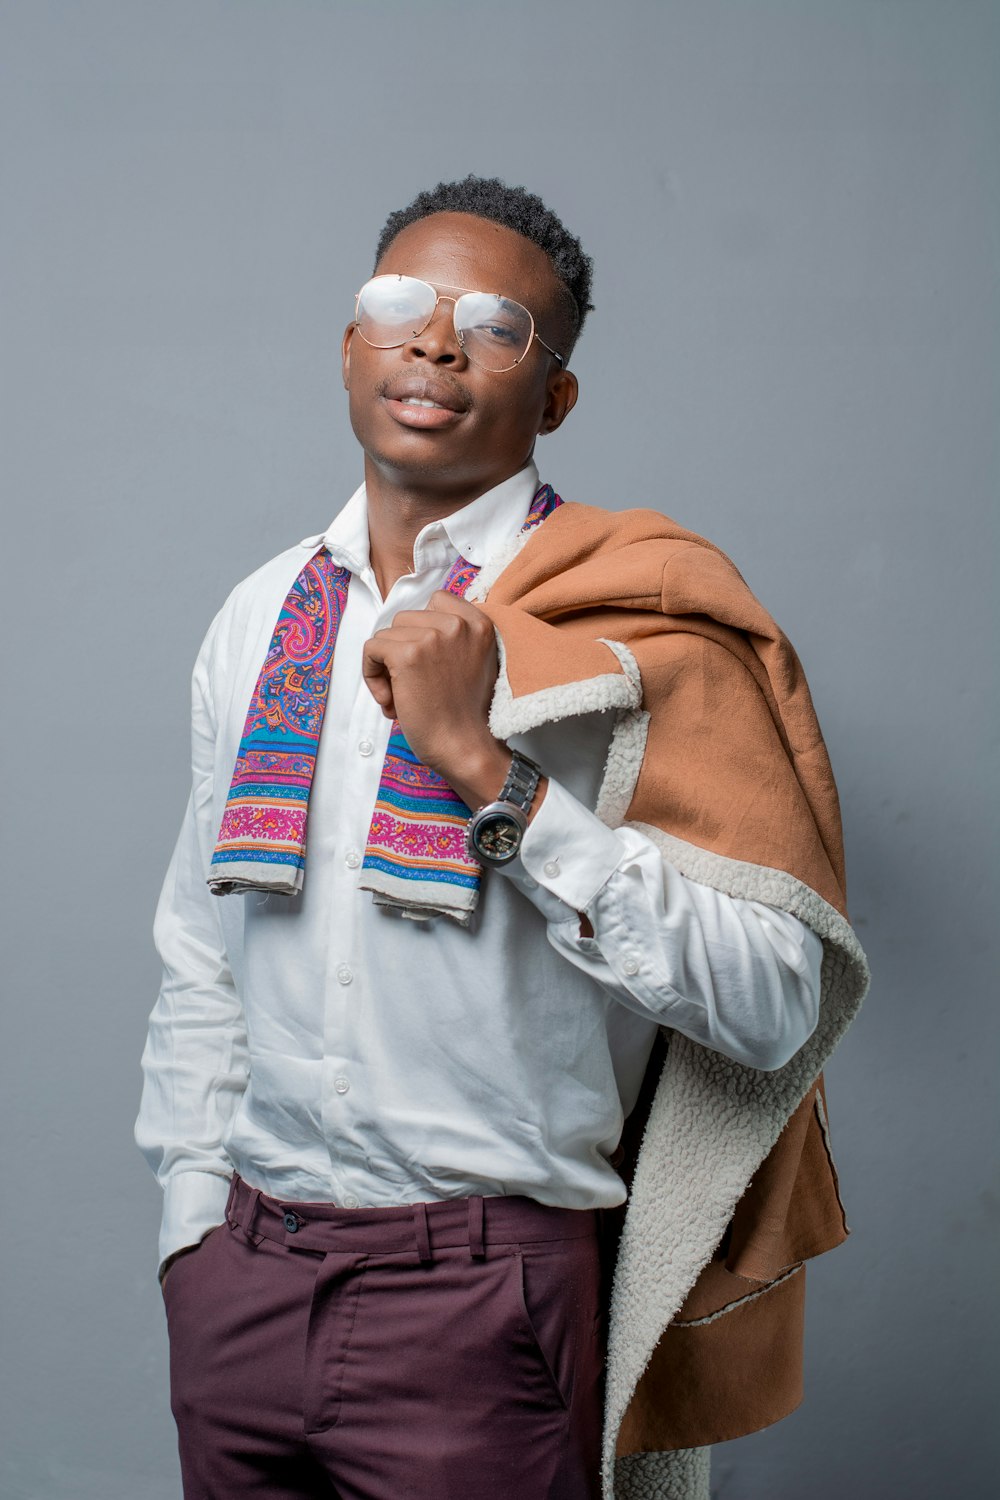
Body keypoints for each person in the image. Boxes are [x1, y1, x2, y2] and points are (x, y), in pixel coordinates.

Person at [136, 175, 868, 1500]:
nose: (432, 342)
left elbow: (774, 1003)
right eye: (399, 308)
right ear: (350, 344)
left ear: (556, 397)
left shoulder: (635, 637)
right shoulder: (260, 616)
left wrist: (495, 778)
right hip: (247, 1285)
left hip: (484, 1297)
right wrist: (195, 1232)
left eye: (493, 326)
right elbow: (202, 946)